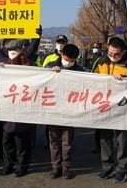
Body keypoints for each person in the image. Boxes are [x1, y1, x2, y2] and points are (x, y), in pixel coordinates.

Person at [94, 37, 127, 183]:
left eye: (116, 54)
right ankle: (107, 167)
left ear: (123, 52)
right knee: (104, 139)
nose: (112, 56)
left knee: (122, 140)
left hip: (122, 109)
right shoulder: (101, 62)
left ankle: (121, 169)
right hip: (104, 107)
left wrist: (123, 81)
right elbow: (91, 80)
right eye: (110, 53)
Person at [45, 44, 84, 179]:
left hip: (69, 111)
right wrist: (50, 72)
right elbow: (40, 79)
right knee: (54, 141)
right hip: (53, 109)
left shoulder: (80, 70)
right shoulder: (50, 65)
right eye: (68, 59)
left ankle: (66, 167)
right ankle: (56, 167)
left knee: (66, 142)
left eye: (72, 60)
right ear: (61, 55)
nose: (69, 62)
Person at [0, 39, 33, 177]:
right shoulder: (5, 65)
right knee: (7, 140)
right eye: (9, 50)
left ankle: (22, 165)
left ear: (21, 51)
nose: (11, 53)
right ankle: (9, 163)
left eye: (14, 50)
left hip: (23, 109)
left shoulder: (29, 66)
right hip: (8, 109)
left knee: (21, 142)